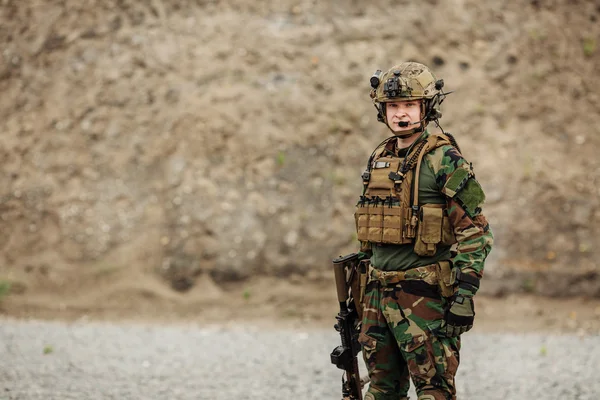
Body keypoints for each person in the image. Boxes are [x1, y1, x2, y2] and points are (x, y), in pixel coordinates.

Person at [355, 62, 493, 400]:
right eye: (393, 107)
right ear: (382, 110)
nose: (400, 114)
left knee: (434, 391)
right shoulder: (381, 157)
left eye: (409, 106)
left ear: (426, 107)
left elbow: (476, 232)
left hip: (423, 295)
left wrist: (464, 295)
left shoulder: (445, 159)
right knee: (380, 391)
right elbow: (371, 234)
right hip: (377, 295)